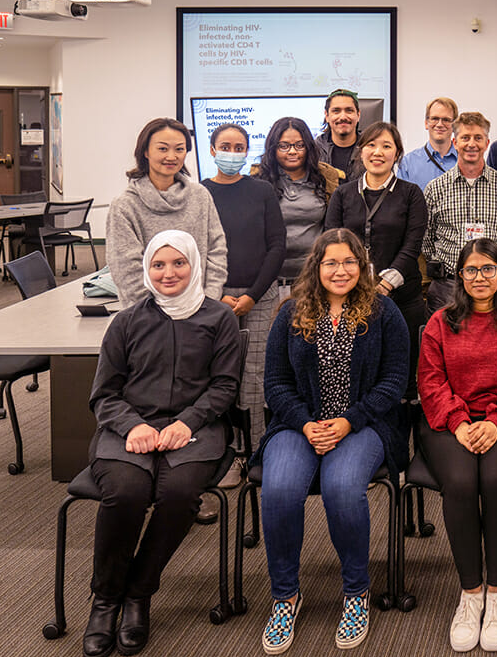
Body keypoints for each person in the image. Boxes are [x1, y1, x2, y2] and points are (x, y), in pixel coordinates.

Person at [84, 230, 243, 657]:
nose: (168, 273)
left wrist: (187, 420)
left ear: (195, 265)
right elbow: (104, 394)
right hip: (128, 430)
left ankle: (139, 592)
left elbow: (225, 386)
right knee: (126, 492)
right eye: (159, 265)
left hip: (198, 427)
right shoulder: (127, 321)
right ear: (146, 270)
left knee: (179, 495)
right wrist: (131, 425)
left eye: (178, 263)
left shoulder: (219, 319)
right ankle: (105, 598)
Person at [256, 228, 411, 655]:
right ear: (316, 267)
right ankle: (285, 596)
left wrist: (348, 420)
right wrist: (307, 424)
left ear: (361, 266)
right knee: (281, 489)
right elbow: (276, 384)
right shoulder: (291, 313)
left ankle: (355, 593)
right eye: (331, 263)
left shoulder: (384, 312)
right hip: (298, 425)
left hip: (364, 425)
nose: (340, 270)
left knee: (343, 489)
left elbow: (395, 380)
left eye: (348, 262)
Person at [417, 239, 497, 653]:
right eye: (471, 270)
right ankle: (471, 595)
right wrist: (458, 421)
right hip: (450, 420)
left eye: (488, 269)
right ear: (460, 275)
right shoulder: (440, 323)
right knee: (458, 481)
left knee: (495, 477)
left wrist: (495, 420)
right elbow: (430, 382)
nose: (479, 278)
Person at [202, 123, 286, 484]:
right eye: (225, 146)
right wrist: (218, 293)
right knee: (217, 375)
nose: (232, 153)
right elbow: (198, 247)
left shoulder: (262, 191)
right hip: (211, 297)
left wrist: (252, 295)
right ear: (211, 150)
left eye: (239, 147)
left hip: (260, 296)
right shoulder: (199, 193)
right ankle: (222, 452)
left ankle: (254, 451)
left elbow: (277, 245)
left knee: (255, 378)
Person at [325, 121, 428, 391]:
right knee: (359, 372)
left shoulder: (411, 194)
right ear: (361, 151)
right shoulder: (343, 193)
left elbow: (412, 246)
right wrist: (356, 284)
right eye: (371, 144)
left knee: (402, 376)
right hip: (351, 297)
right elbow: (332, 243)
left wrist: (385, 284)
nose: (378, 152)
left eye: (386, 146)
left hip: (402, 299)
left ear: (397, 153)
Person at [106, 117, 227, 308]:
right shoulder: (125, 206)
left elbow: (216, 250)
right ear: (145, 151)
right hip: (147, 317)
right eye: (162, 149)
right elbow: (126, 269)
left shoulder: (200, 196)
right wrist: (158, 313)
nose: (172, 156)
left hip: (200, 311)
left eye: (179, 149)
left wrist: (207, 301)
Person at [422, 111, 497, 314]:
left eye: (478, 138)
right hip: (448, 286)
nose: (471, 144)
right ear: (455, 142)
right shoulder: (435, 188)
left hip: (493, 288)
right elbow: (426, 238)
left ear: (487, 142)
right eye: (465, 138)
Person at [256, 116, 342, 291]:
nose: (292, 151)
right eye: (284, 146)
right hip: (270, 281)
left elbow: (335, 227)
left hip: (315, 279)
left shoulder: (327, 178)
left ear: (308, 147)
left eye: (299, 145)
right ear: (273, 149)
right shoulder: (258, 181)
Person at [398, 97, 459, 190]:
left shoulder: (466, 161)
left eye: (446, 120)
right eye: (434, 119)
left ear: (455, 125)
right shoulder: (408, 164)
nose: (439, 124)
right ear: (426, 123)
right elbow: (401, 202)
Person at [314, 88, 361, 174]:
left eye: (349, 111)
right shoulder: (314, 150)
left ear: (358, 115)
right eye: (336, 111)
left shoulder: (370, 149)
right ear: (327, 116)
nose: (343, 117)